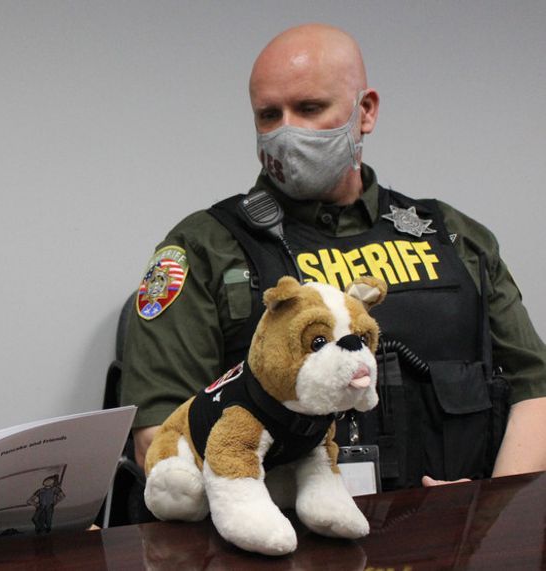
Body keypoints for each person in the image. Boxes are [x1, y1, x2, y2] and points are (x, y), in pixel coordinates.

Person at [121, 24, 546, 494]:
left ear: (365, 111)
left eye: (308, 108)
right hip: (280, 543)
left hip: (455, 537)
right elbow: (161, 444)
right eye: (268, 115)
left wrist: (492, 507)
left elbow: (536, 386)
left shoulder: (454, 236)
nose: (286, 132)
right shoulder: (206, 247)